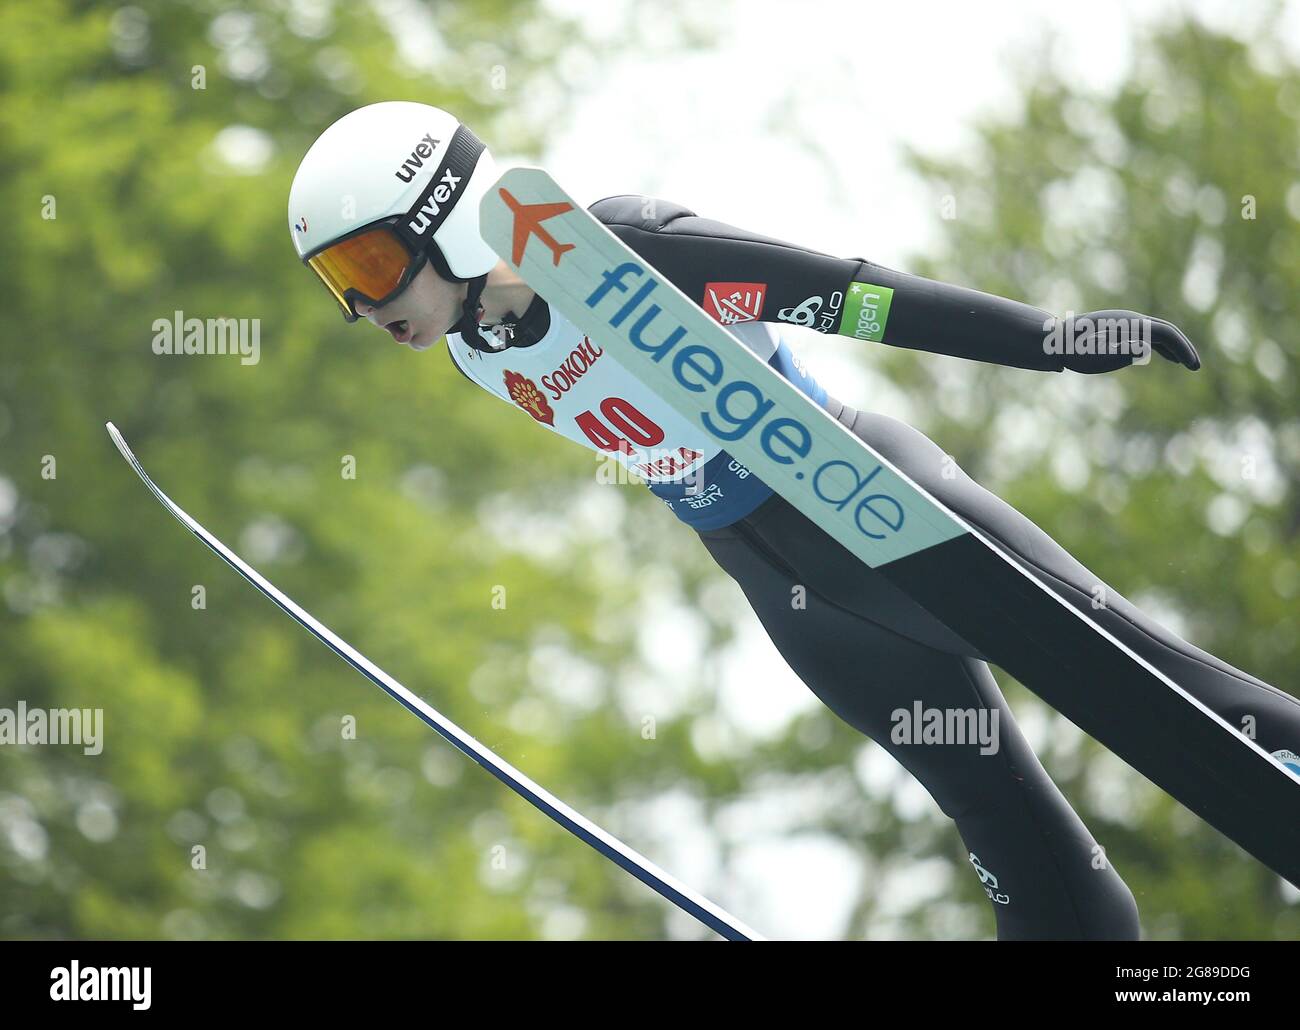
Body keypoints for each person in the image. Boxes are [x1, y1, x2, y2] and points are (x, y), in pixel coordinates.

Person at [288, 100, 1300, 940]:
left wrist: (1051, 339)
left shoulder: (618, 245)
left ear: (448, 214)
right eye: (342, 284)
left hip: (873, 500)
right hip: (794, 598)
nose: (366, 310)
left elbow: (848, 297)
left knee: (1154, 676)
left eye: (373, 266)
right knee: (1010, 836)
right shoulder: (475, 346)